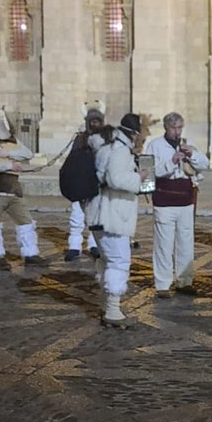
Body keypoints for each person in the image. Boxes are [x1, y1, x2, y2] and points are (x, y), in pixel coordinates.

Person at [86, 113, 147, 328]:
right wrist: (138, 178)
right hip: (111, 216)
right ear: (134, 134)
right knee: (119, 261)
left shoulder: (108, 145)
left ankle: (107, 305)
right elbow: (115, 178)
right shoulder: (119, 149)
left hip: (101, 214)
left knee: (106, 260)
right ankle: (112, 310)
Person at [0, 105, 48, 270]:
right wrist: (10, 165)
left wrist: (6, 154)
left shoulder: (11, 141)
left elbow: (27, 154)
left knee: (25, 221)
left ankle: (30, 254)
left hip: (13, 190)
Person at [147, 112, 208, 297]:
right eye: (174, 128)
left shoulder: (187, 144)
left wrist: (193, 155)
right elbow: (148, 171)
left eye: (180, 127)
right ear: (166, 128)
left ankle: (185, 281)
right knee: (164, 244)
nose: (177, 131)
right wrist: (171, 161)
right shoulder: (154, 146)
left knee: (185, 242)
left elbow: (204, 164)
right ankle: (163, 284)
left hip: (186, 201)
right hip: (164, 200)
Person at [63, 105, 105, 262]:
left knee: (95, 218)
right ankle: (74, 246)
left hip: (95, 183)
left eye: (98, 121)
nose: (95, 124)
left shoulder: (104, 139)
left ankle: (94, 244)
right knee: (77, 216)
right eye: (92, 121)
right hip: (80, 182)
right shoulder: (80, 139)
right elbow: (73, 160)